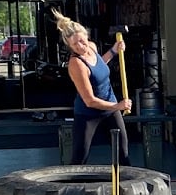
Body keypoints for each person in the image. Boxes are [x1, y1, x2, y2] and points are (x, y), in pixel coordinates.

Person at [53, 9, 131, 165]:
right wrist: (118, 105)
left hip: (110, 108)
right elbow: (90, 100)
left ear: (87, 36)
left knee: (123, 153)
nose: (81, 46)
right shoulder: (76, 64)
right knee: (80, 158)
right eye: (75, 44)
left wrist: (113, 51)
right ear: (69, 45)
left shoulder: (92, 47)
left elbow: (99, 66)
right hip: (88, 113)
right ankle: (72, 187)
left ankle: (124, 187)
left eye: (82, 41)